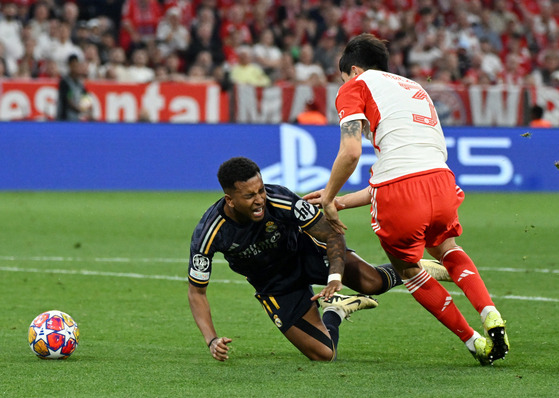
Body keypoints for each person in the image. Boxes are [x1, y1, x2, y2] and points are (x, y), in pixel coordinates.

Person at [303, 33, 509, 366]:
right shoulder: (414, 88)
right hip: (441, 183)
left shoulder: (354, 85)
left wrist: (328, 197)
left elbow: (352, 151)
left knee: (409, 270)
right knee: (448, 249)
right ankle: (490, 312)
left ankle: (474, 342)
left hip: (400, 192)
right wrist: (341, 201)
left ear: (353, 70)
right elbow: (400, 171)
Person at [188, 157, 451, 362]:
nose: (259, 200)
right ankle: (336, 309)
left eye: (260, 190)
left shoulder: (279, 199)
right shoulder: (210, 233)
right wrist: (211, 340)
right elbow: (197, 293)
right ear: (230, 200)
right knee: (324, 354)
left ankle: (414, 269)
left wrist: (335, 276)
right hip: (276, 286)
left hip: (308, 256)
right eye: (249, 196)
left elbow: (331, 234)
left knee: (373, 284)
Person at [56, 54, 92, 121]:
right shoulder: (65, 82)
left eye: (77, 66)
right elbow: (68, 99)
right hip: (65, 119)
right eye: (74, 66)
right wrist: (79, 109)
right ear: (69, 66)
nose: (76, 68)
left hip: (76, 119)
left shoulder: (80, 84)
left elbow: (86, 96)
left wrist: (86, 106)